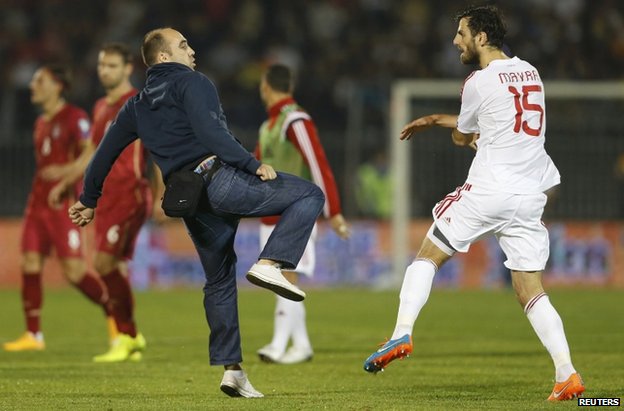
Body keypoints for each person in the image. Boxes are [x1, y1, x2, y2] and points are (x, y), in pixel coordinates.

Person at [68, 28, 324, 398]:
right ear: (163, 57)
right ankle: (271, 262)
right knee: (308, 195)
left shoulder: (136, 105)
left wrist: (88, 199)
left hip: (189, 199)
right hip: (220, 178)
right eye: (183, 45)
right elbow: (210, 131)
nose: (191, 50)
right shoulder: (192, 82)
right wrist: (251, 164)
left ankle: (232, 371)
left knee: (219, 280)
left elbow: (104, 154)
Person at [363, 5, 585, 401]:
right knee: (530, 289)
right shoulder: (531, 72)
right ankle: (567, 374)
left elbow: (465, 136)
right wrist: (435, 119)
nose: (456, 41)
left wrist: (452, 130)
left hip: (490, 189)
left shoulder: (477, 82)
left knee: (427, 255)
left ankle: (399, 334)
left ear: (481, 37)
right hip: (530, 194)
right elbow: (502, 120)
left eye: (462, 33)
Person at [48, 43, 154, 362]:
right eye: (101, 65)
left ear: (127, 68)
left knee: (104, 264)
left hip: (129, 191)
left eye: (111, 65)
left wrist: (164, 189)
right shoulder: (100, 107)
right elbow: (92, 153)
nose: (104, 70)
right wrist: (67, 182)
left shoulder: (139, 103)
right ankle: (125, 341)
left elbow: (159, 146)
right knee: (113, 266)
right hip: (103, 197)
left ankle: (128, 335)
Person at [3, 65, 115, 352]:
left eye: (39, 80)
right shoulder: (40, 122)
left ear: (57, 85)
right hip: (36, 205)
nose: (32, 86)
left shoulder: (75, 118)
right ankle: (33, 335)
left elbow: (91, 154)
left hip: (63, 205)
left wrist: (65, 178)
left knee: (75, 272)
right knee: (29, 263)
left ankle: (116, 312)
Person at [254, 64, 350, 365]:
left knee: (284, 276)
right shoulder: (268, 126)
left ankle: (278, 344)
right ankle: (302, 345)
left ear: (266, 86)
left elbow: (317, 162)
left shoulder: (295, 120)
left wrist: (332, 210)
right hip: (269, 214)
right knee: (280, 278)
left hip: (295, 211)